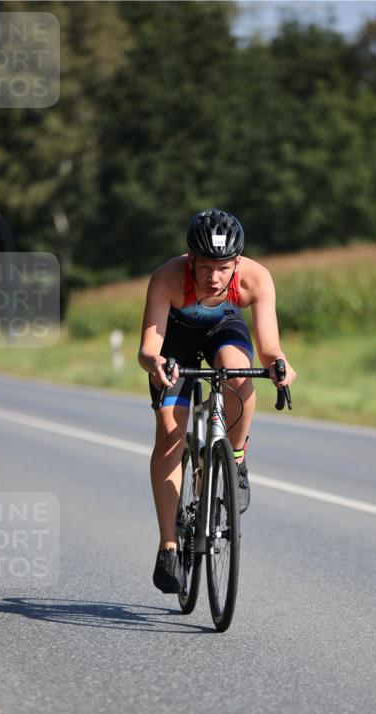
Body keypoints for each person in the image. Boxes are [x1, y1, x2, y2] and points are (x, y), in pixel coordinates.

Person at [138, 208, 297, 593]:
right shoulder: (167, 278)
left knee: (239, 375)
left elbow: (269, 346)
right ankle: (169, 546)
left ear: (237, 263)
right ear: (190, 259)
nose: (213, 277)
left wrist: (279, 365)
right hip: (176, 343)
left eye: (223, 268)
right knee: (171, 436)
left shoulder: (256, 278)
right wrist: (156, 363)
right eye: (205, 266)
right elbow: (148, 349)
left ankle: (236, 460)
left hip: (225, 330)